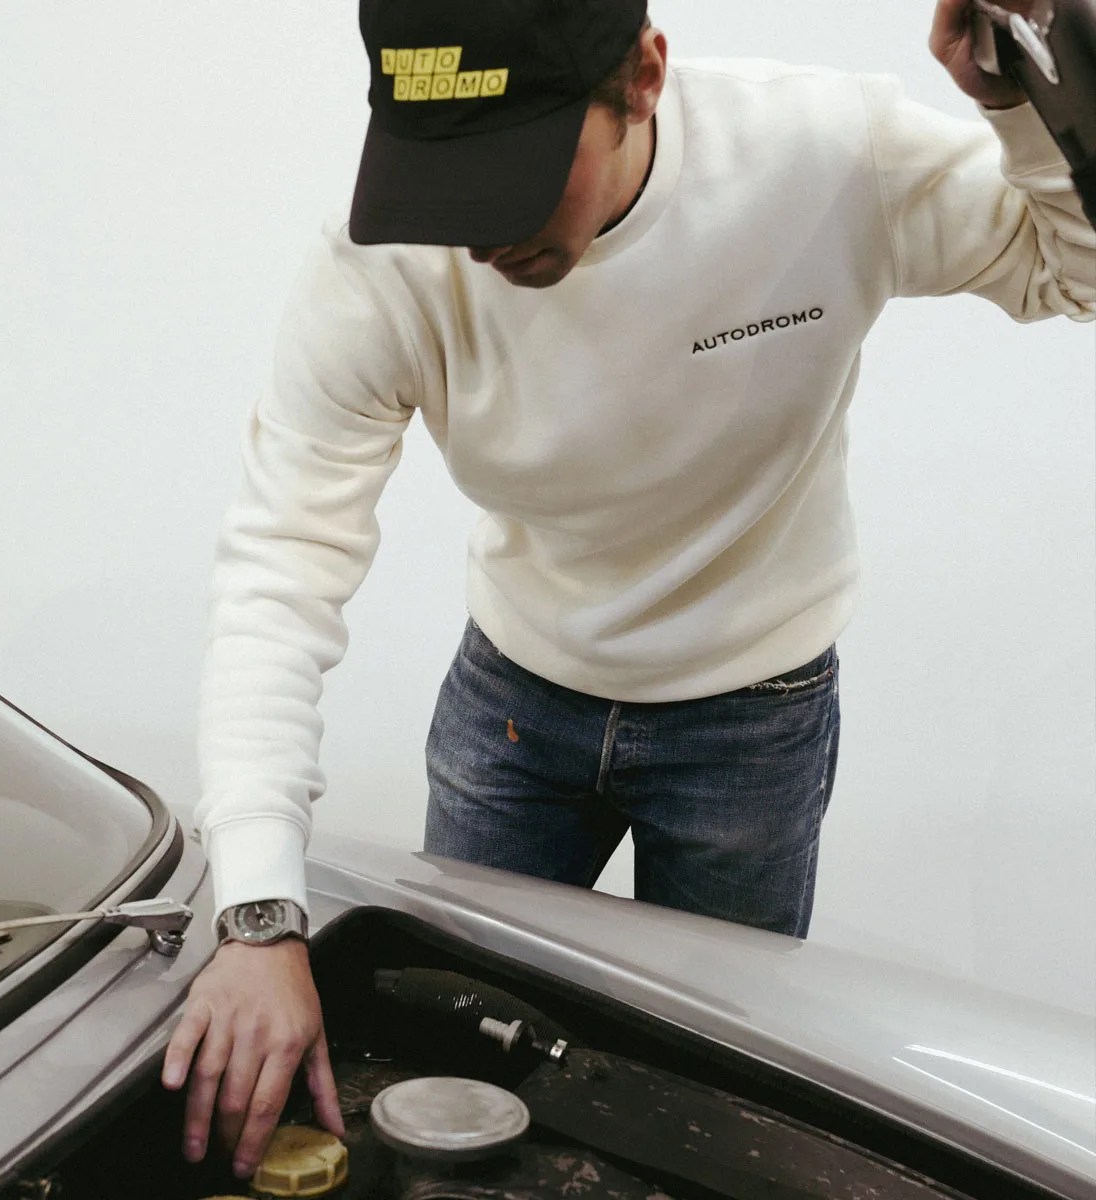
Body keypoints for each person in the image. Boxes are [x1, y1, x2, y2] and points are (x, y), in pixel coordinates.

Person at [162, 0, 1096, 1182]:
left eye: (517, 171)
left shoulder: (818, 155)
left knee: (715, 1114)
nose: (477, 235)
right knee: (455, 1085)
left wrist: (1028, 101)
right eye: (444, 176)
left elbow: (1077, 271)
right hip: (515, 713)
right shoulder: (383, 263)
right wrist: (257, 914)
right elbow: (278, 567)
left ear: (645, 76)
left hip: (750, 723)